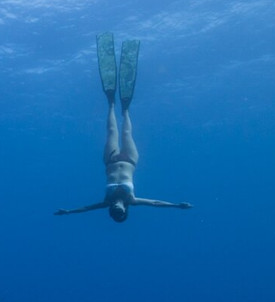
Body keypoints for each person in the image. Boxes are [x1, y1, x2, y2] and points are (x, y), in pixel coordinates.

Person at [55, 33, 191, 222]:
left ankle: (111, 103)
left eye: (114, 213)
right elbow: (155, 203)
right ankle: (125, 109)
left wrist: (69, 212)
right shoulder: (132, 199)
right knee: (126, 131)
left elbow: (87, 208)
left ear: (111, 210)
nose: (117, 210)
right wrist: (177, 205)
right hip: (130, 161)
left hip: (109, 161)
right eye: (121, 213)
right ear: (125, 211)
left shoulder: (106, 201)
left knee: (111, 131)